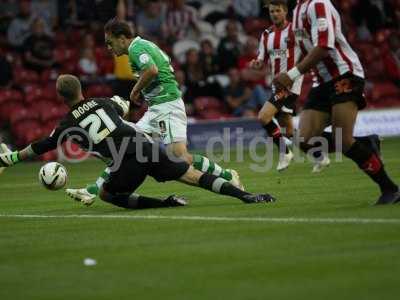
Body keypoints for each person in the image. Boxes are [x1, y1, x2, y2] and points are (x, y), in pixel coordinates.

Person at [0, 75, 275, 208]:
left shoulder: (67, 125)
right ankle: (246, 196)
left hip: (126, 160)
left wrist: (11, 158)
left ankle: (165, 203)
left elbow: (40, 147)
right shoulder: (101, 101)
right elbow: (123, 107)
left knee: (107, 194)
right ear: (81, 90)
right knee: (191, 175)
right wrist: (121, 106)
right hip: (145, 145)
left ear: (61, 98)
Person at [66, 19, 243, 205]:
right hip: (157, 108)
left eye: (110, 43)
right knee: (127, 146)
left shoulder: (135, 48)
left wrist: (135, 90)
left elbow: (152, 70)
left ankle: (227, 175)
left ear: (122, 38)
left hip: (167, 105)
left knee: (181, 157)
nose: (109, 48)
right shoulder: (141, 45)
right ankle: (93, 190)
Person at [273, 0, 399, 205]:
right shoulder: (296, 11)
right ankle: (366, 143)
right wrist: (288, 75)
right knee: (304, 139)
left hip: (344, 74)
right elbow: (306, 52)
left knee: (343, 139)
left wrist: (293, 74)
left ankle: (390, 188)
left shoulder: (318, 4)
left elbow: (324, 46)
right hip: (322, 81)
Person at [250, 0, 303, 171]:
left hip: (290, 85)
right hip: (276, 86)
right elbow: (261, 59)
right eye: (272, 11)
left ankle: (284, 153)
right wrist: (257, 64)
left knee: (263, 116)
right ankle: (320, 153)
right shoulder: (266, 34)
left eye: (277, 10)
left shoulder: (295, 31)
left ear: (285, 11)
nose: (274, 14)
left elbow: (308, 53)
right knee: (288, 130)